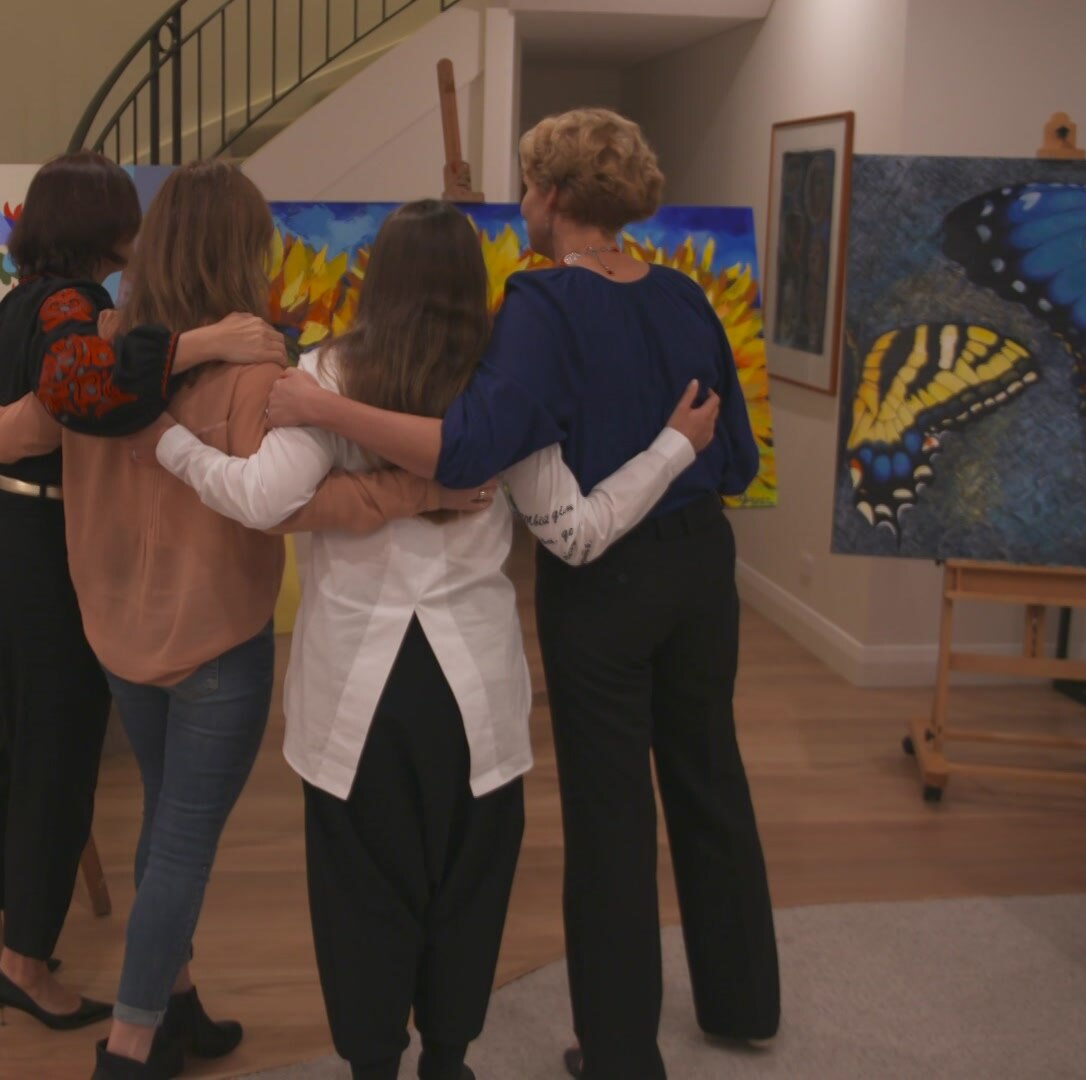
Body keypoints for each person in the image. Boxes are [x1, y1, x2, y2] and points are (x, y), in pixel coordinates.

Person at [144, 199, 722, 1080]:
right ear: (473, 285)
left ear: (379, 278)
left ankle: (374, 1063)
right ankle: (448, 1061)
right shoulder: (504, 383)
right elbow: (573, 529)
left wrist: (172, 448)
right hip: (474, 692)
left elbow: (262, 499)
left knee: (360, 895)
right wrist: (675, 450)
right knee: (468, 887)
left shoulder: (331, 372)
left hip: (354, 695)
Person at [263, 110, 782, 1079]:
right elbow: (739, 451)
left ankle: (623, 1050)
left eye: (528, 188)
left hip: (610, 584)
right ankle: (745, 996)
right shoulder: (688, 297)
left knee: (613, 813)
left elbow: (469, 449)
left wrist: (323, 406)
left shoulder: (540, 307)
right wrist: (673, 450)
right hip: (705, 568)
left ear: (548, 197)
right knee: (712, 775)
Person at [0, 160, 475, 1080]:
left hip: (116, 631)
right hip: (213, 647)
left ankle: (177, 1001)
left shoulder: (100, 349)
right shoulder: (255, 365)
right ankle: (132, 1043)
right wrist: (414, 487)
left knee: (166, 823)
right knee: (182, 843)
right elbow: (282, 504)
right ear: (244, 250)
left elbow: (22, 432)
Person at [0, 150, 286, 1032]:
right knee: (56, 764)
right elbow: (63, 398)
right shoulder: (84, 316)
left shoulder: (37, 306)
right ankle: (31, 965)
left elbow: (35, 412)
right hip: (41, 560)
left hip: (7, 545)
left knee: (11, 743)